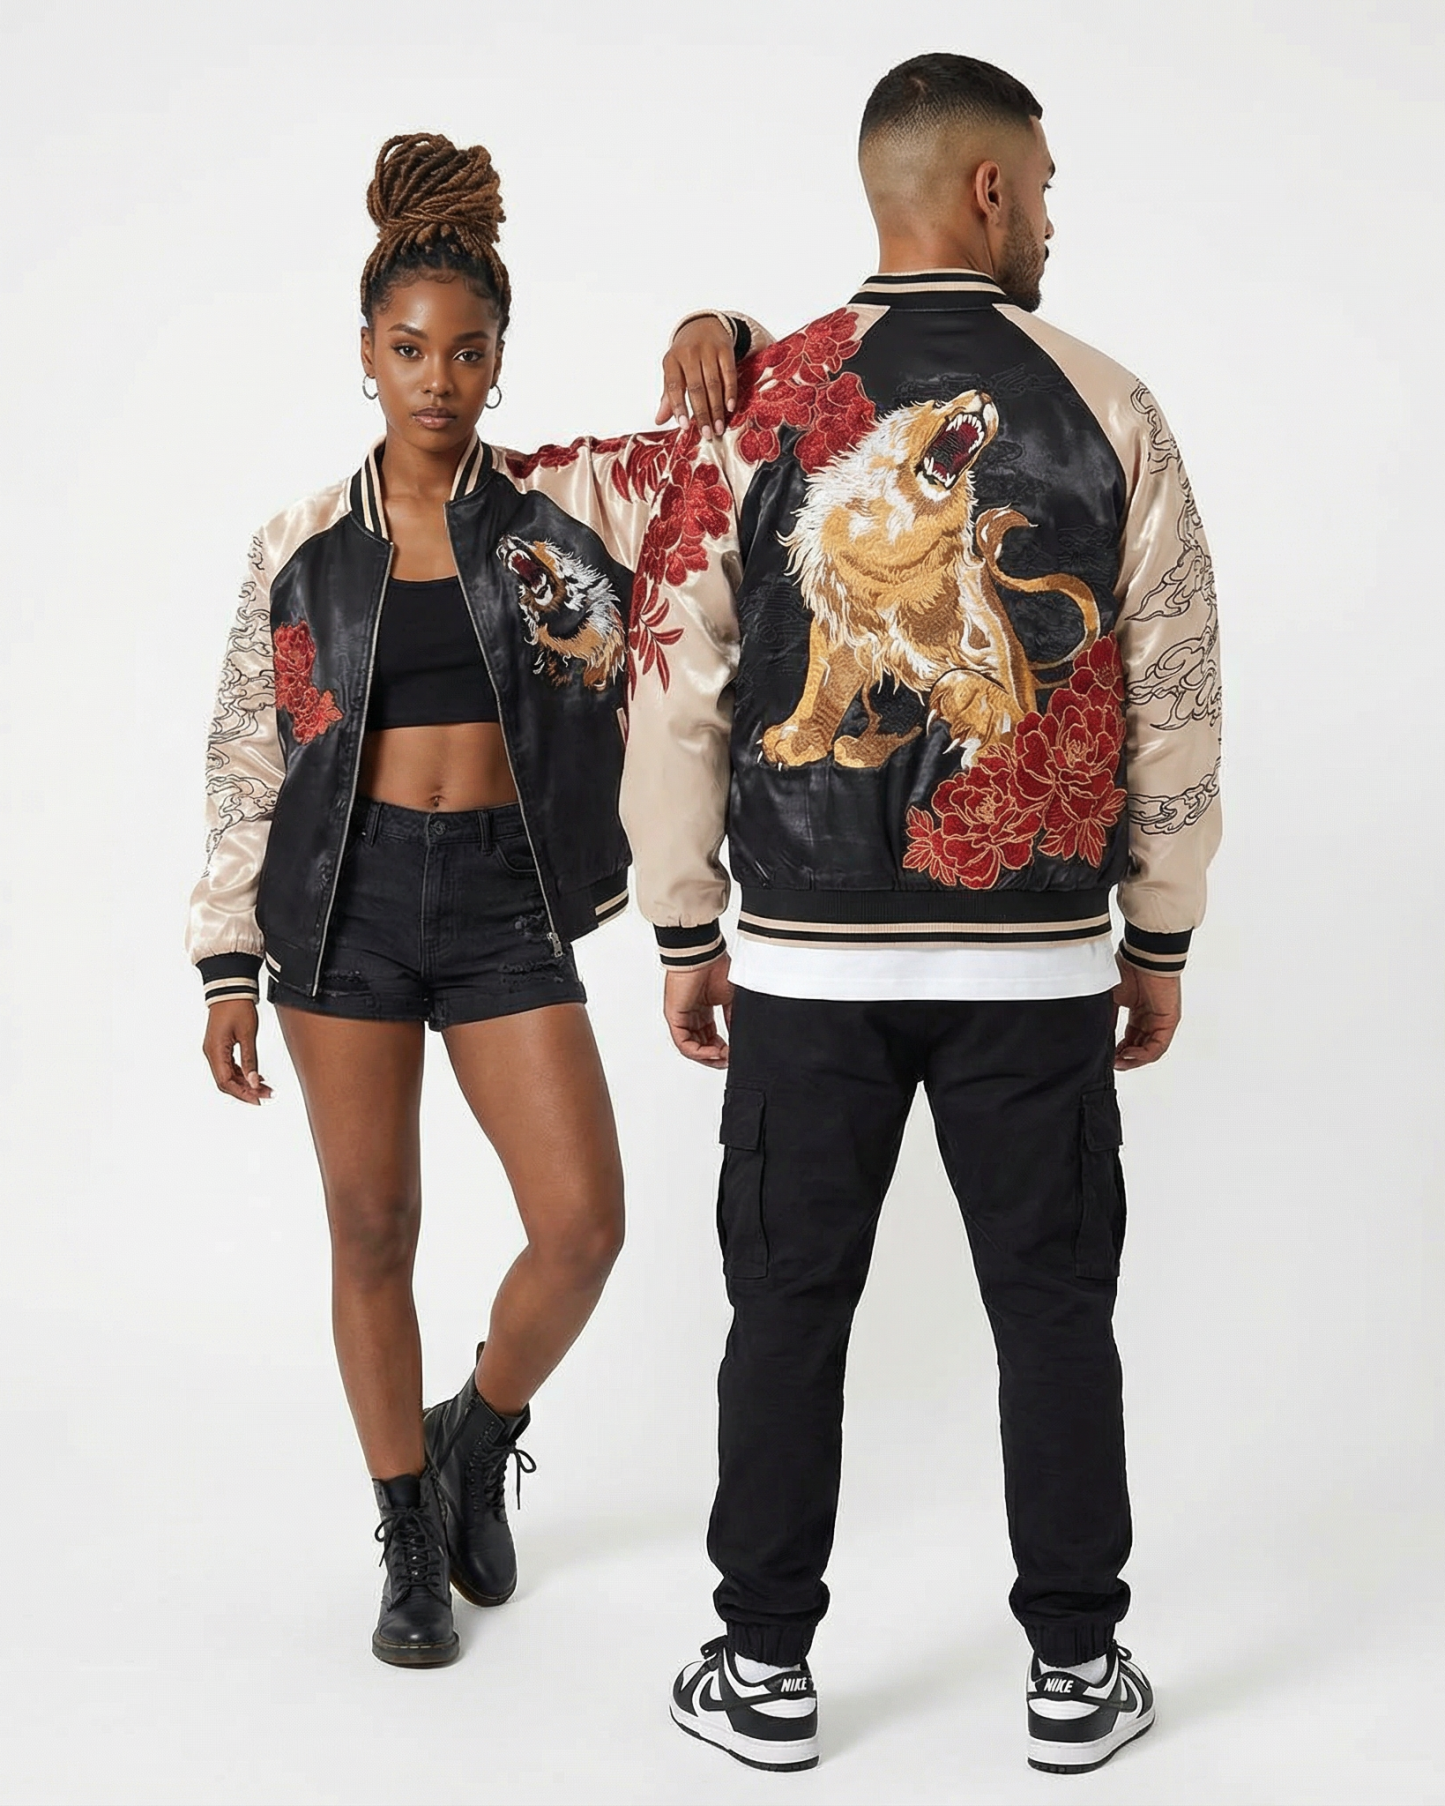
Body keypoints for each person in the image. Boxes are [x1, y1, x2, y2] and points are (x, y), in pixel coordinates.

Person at [621, 53, 1221, 1773]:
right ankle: (1075, 1672)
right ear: (986, 190)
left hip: (806, 964)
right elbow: (1179, 688)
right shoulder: (1108, 402)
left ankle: (762, 1668)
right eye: (1045, 186)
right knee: (1054, 1309)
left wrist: (686, 923)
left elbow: (674, 680)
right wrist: (1158, 933)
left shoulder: (762, 403)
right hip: (1034, 967)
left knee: (787, 1307)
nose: (1052, 219)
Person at [187, 130, 762, 1668]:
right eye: (408, 348)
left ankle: (474, 1432)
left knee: (582, 1224)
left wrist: (725, 334)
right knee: (373, 1223)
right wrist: (226, 954)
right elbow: (249, 750)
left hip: (507, 900)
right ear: (366, 353)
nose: (436, 378)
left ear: (499, 360)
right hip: (344, 905)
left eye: (465, 351)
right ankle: (404, 1538)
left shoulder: (573, 503)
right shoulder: (300, 546)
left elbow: (747, 448)